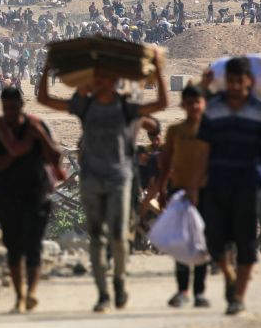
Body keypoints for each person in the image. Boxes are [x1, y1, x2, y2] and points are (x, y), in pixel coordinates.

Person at [37, 51, 168, 312]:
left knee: (119, 236)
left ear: (114, 80)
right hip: (91, 179)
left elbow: (161, 103)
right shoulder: (85, 105)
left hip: (119, 178)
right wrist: (47, 68)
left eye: (106, 77)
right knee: (96, 238)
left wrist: (157, 69)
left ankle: (118, 280)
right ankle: (102, 294)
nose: (101, 81)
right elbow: (44, 99)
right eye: (97, 77)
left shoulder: (126, 107)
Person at [191, 56, 261, 316]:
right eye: (231, 81)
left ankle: (238, 297)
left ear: (249, 81)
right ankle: (227, 273)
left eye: (240, 81)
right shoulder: (213, 109)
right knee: (215, 241)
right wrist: (194, 184)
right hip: (217, 184)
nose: (235, 86)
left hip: (250, 185)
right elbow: (203, 149)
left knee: (246, 241)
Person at [0, 87, 66, 313]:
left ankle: (30, 293)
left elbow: (55, 155)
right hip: (8, 193)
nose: (9, 112)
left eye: (13, 107)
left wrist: (38, 135)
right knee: (13, 246)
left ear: (21, 105)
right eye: (6, 108)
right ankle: (19, 294)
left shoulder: (37, 126)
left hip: (36, 192)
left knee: (33, 245)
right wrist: (16, 151)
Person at [148, 84, 209, 308]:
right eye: (189, 102)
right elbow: (166, 163)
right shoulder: (175, 131)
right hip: (179, 192)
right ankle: (183, 290)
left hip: (205, 192)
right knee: (182, 242)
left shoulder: (211, 130)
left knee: (201, 242)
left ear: (203, 104)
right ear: (182, 105)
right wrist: (162, 190)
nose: (193, 106)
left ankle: (200, 292)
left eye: (197, 102)